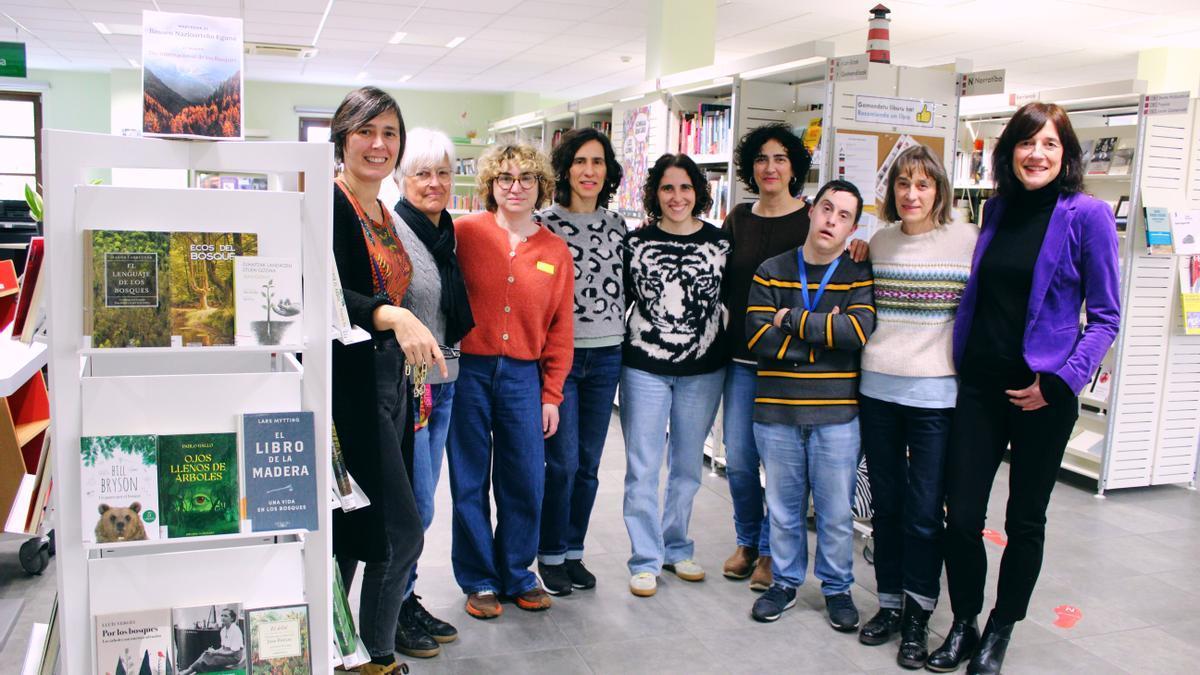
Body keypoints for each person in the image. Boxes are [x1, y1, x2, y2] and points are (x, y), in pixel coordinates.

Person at [928, 102, 1120, 674]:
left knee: (1023, 522)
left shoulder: (1087, 215)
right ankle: (963, 621)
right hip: (980, 388)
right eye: (1026, 143)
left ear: (1066, 155)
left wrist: (1060, 381)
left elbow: (1107, 316)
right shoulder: (997, 209)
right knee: (960, 515)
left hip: (1043, 394)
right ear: (1010, 151)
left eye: (1051, 144)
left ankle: (1000, 629)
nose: (1037, 154)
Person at [329, 86, 445, 675]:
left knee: (364, 528)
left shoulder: (381, 208)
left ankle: (349, 651)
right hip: (351, 391)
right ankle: (370, 655)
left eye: (390, 133)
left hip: (394, 384)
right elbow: (325, 294)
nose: (379, 144)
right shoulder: (331, 203)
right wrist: (392, 314)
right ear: (341, 136)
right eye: (366, 131)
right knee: (396, 530)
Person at [854, 145, 976, 669]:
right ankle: (886, 604)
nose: (911, 193)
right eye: (903, 183)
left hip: (935, 398)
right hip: (878, 390)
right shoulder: (878, 242)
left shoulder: (968, 241)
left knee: (926, 514)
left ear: (939, 190)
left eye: (923, 184)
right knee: (886, 507)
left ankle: (919, 616)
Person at [447, 144, 574, 620]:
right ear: (490, 186)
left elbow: (562, 327)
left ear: (541, 185)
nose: (515, 186)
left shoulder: (554, 251)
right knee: (469, 479)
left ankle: (519, 571)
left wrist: (552, 394)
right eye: (504, 178)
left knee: (525, 479)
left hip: (525, 375)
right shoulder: (465, 233)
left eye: (525, 178)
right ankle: (479, 577)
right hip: (470, 373)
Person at [743, 179, 875, 630]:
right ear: (810, 212)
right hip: (776, 412)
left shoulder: (859, 275)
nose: (831, 221)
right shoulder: (771, 269)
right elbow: (758, 336)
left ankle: (837, 589)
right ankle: (784, 582)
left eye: (843, 216)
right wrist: (821, 338)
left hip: (837, 416)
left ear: (852, 227)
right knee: (782, 508)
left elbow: (856, 333)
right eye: (826, 209)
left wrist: (792, 320)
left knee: (836, 513)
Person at [622, 153, 731, 599]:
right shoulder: (635, 242)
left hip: (704, 369)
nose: (677, 197)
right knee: (643, 466)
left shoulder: (722, 244)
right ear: (655, 193)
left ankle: (677, 546)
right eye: (668, 188)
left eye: (685, 188)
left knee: (687, 465)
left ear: (698, 192)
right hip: (644, 367)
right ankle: (645, 558)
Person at [389, 127, 474, 656]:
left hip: (445, 384)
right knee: (415, 506)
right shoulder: (395, 231)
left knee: (424, 504)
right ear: (402, 176)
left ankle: (407, 595)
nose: (435, 182)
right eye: (422, 172)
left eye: (443, 172)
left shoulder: (450, 234)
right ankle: (392, 610)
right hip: (409, 388)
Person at [534, 127, 627, 596]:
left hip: (607, 355)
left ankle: (573, 551)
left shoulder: (617, 226)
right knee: (562, 462)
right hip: (559, 359)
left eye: (598, 162)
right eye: (580, 162)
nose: (589, 171)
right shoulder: (541, 223)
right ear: (565, 168)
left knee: (590, 464)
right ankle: (549, 553)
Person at [178, 608, 244, 674]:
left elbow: (234, 653)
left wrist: (216, 653)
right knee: (206, 654)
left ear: (232, 619)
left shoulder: (235, 630)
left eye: (226, 616)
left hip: (234, 658)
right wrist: (213, 651)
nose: (223, 618)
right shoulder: (223, 630)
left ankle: (188, 671)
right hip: (227, 654)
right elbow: (223, 648)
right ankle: (192, 671)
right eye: (222, 615)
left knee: (208, 658)